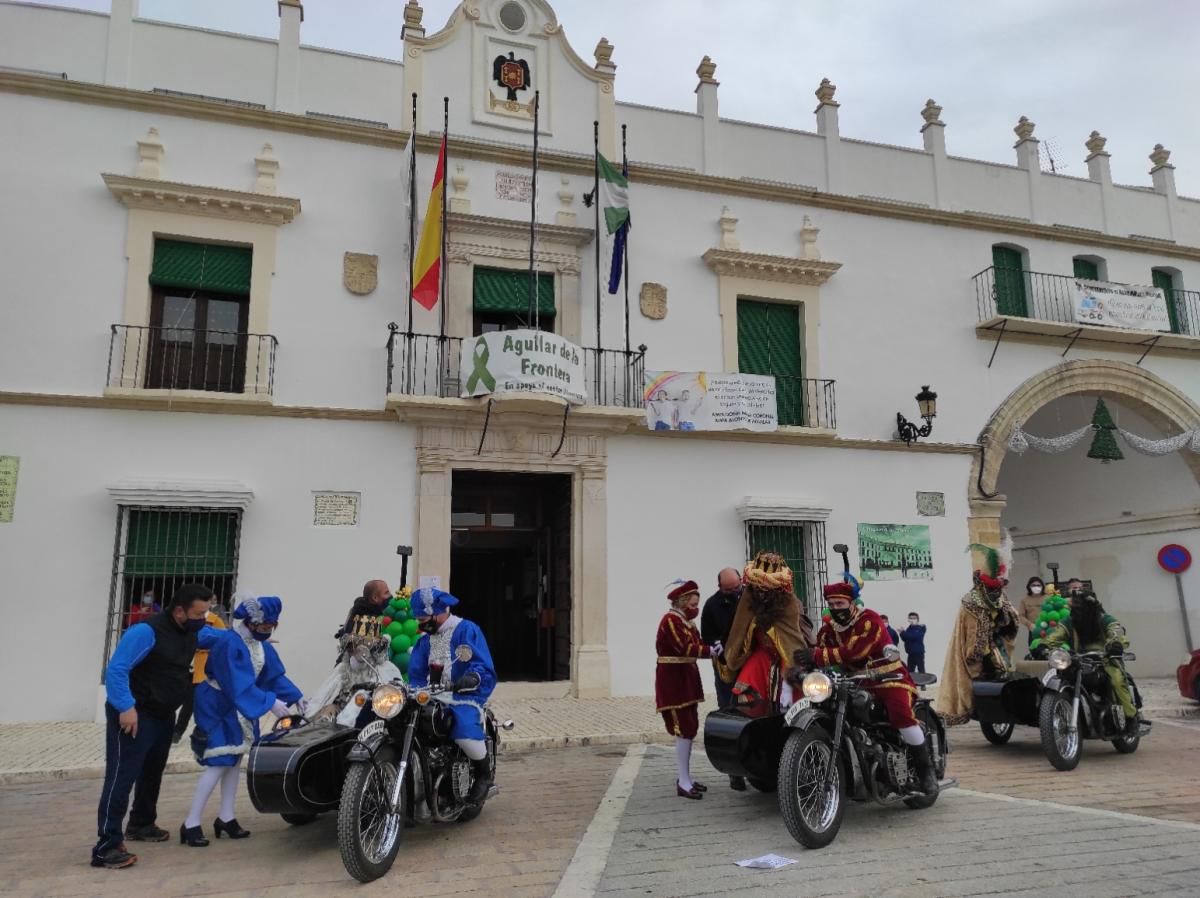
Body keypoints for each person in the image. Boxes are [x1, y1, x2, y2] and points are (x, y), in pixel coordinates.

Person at [92, 584, 219, 870]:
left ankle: (141, 823)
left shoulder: (192, 631)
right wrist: (125, 707)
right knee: (121, 777)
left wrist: (247, 635)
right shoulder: (145, 633)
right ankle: (106, 846)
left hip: (163, 714)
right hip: (134, 714)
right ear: (179, 611)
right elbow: (117, 669)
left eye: (206, 612)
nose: (203, 617)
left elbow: (217, 637)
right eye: (199, 613)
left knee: (152, 772)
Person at [793, 580, 938, 795]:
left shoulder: (870, 620)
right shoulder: (827, 630)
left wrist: (817, 655)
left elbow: (855, 651)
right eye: (831, 604)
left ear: (851, 603)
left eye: (840, 603)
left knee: (900, 713)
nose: (835, 608)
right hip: (853, 681)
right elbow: (820, 651)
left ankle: (926, 773)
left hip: (888, 677)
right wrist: (801, 668)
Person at [182, 594, 303, 846]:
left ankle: (226, 817)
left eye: (271, 627)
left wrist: (295, 696)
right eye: (264, 626)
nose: (267, 631)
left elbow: (273, 677)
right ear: (250, 622)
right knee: (218, 762)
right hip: (217, 705)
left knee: (234, 761)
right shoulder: (229, 644)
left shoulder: (261, 646)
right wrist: (270, 702)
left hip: (237, 706)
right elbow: (236, 682)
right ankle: (191, 822)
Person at [409, 586, 497, 803]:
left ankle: (484, 775)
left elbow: (481, 666)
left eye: (423, 617)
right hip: (430, 696)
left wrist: (473, 678)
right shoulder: (424, 641)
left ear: (439, 612)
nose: (420, 623)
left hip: (463, 695)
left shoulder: (466, 630)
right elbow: (416, 674)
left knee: (463, 727)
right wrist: (413, 690)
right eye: (418, 618)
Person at [938, 538, 1021, 726]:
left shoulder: (1000, 597)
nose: (996, 592)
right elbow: (972, 631)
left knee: (1004, 670)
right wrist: (979, 650)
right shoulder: (971, 601)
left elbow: (1011, 615)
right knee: (984, 672)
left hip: (994, 640)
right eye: (992, 588)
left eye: (998, 588)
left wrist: (1005, 620)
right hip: (978, 646)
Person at [723, 552, 814, 718]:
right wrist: (734, 653)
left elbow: (791, 640)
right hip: (760, 657)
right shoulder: (748, 598)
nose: (761, 593)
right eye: (757, 588)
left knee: (788, 701)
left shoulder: (789, 603)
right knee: (747, 694)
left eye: (766, 589)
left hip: (787, 660)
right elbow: (739, 629)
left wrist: (788, 684)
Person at [1041, 585, 1139, 733]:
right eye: (1075, 603)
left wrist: (1115, 645)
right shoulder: (1070, 621)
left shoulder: (1105, 619)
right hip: (1079, 659)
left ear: (1089, 603)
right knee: (1063, 675)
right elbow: (1055, 637)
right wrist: (1043, 646)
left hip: (1104, 659)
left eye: (1079, 603)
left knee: (1117, 680)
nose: (1076, 607)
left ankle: (1131, 717)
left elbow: (1116, 632)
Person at [656, 579, 712, 799]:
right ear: (681, 602)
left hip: (687, 676)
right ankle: (683, 780)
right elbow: (685, 647)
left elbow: (698, 643)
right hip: (673, 678)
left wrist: (711, 647)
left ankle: (686, 777)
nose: (695, 608)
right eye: (692, 604)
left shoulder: (687, 622)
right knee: (682, 726)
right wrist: (710, 651)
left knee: (690, 726)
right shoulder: (671, 621)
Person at [700, 567, 746, 791]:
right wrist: (720, 648)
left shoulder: (750, 599)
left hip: (749, 667)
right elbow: (707, 637)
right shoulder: (711, 605)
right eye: (729, 590)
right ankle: (734, 772)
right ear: (720, 588)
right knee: (729, 715)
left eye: (737, 587)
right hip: (726, 668)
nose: (735, 592)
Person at [173, 594, 227, 744]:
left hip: (201, 669)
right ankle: (179, 731)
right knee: (181, 700)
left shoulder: (216, 621)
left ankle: (181, 732)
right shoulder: (188, 622)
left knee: (193, 703)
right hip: (185, 667)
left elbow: (222, 643)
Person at [1018, 576, 1047, 648]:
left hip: (1048, 629)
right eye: (1033, 585)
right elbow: (1020, 615)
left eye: (1038, 585)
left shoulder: (1048, 598)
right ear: (1029, 587)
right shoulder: (1024, 600)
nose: (1036, 587)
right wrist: (1029, 624)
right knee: (1034, 651)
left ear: (1042, 586)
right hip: (1033, 630)